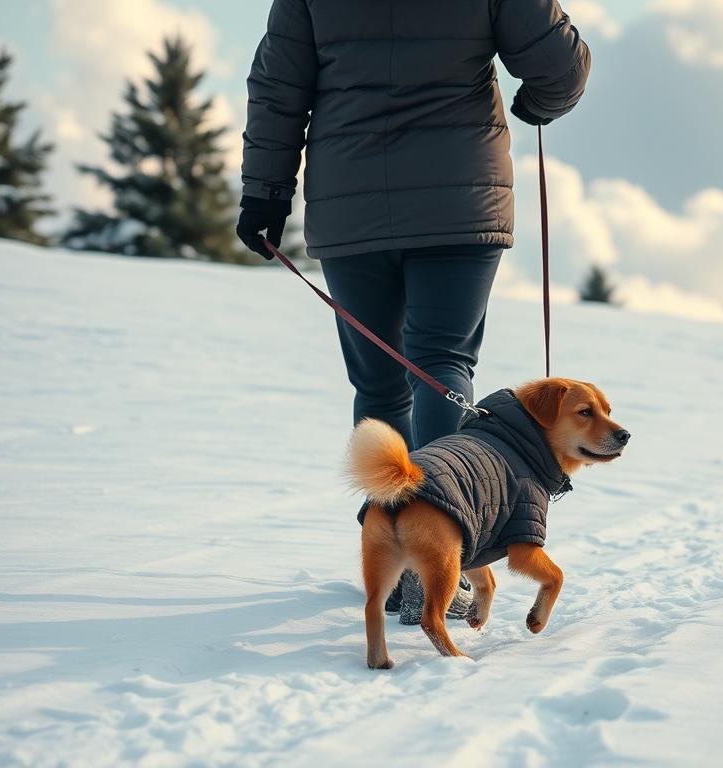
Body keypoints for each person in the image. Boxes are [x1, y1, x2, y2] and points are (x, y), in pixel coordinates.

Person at [237, 0, 591, 620]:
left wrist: (266, 189)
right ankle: (440, 559)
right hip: (460, 200)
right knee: (440, 361)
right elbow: (559, 65)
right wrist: (539, 103)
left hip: (351, 206)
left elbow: (278, 85)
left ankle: (399, 556)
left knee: (378, 380)